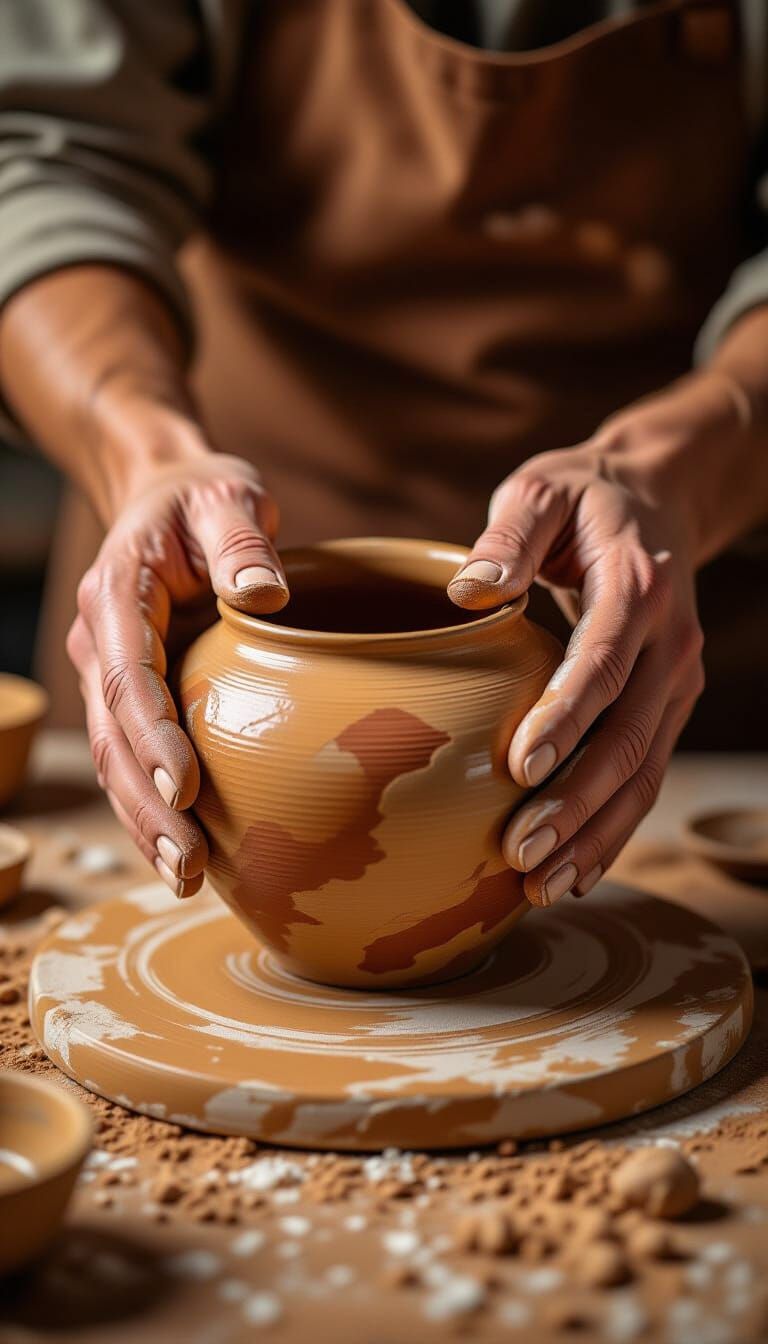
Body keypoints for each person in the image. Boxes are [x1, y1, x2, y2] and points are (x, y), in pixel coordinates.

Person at [0, 1, 767, 909]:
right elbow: (43, 159)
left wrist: (675, 462)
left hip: (663, 586)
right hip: (213, 546)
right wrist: (145, 451)